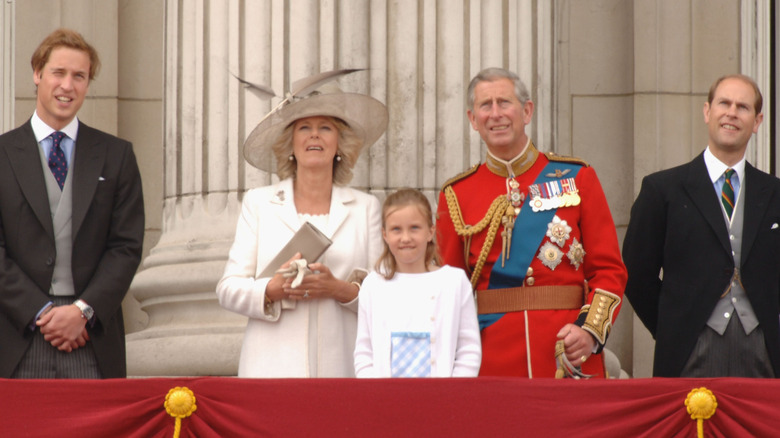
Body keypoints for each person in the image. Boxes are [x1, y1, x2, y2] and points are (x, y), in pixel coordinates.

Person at [436, 67, 627, 378]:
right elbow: (449, 291)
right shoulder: (456, 195)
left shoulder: (577, 177)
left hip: (566, 353)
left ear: (526, 111)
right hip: (491, 359)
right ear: (473, 119)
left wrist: (589, 331)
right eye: (486, 105)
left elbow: (609, 271)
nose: (495, 114)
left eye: (504, 102)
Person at [217, 79, 388, 377]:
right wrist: (271, 289)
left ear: (339, 143)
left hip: (344, 369)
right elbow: (228, 289)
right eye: (304, 127)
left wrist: (340, 290)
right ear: (291, 143)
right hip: (270, 369)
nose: (314, 136)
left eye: (325, 127)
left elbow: (385, 296)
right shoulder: (259, 203)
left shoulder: (366, 207)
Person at [0, 28, 145, 378]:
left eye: (79, 76)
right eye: (58, 73)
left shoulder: (116, 155)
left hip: (90, 336)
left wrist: (82, 311)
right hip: (17, 334)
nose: (68, 85)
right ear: (37, 74)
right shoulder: (2, 154)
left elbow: (125, 246)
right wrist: (41, 313)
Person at [623, 74, 780, 378]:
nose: (732, 112)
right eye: (724, 103)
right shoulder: (663, 189)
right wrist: (674, 327)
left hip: (765, 353)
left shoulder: (774, 193)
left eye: (743, 107)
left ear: (758, 121)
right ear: (707, 112)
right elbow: (635, 272)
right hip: (689, 352)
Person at [354, 188, 481, 377]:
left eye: (414, 228)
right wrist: (375, 393)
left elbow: (468, 349)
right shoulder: (373, 285)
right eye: (396, 229)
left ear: (430, 232)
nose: (406, 238)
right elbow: (365, 352)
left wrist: (454, 390)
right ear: (384, 234)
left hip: (442, 397)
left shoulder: (453, 282)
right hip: (385, 399)